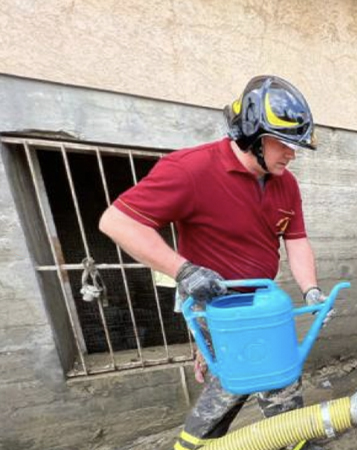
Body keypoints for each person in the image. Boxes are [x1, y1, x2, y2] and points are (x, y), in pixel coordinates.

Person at [98, 75, 324, 450]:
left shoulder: (286, 184)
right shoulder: (191, 170)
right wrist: (183, 271)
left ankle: (271, 441)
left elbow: (296, 240)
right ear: (252, 136)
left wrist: (311, 289)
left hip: (262, 304)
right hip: (215, 305)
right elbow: (117, 222)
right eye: (284, 144)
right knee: (252, 378)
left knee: (256, 377)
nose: (292, 154)